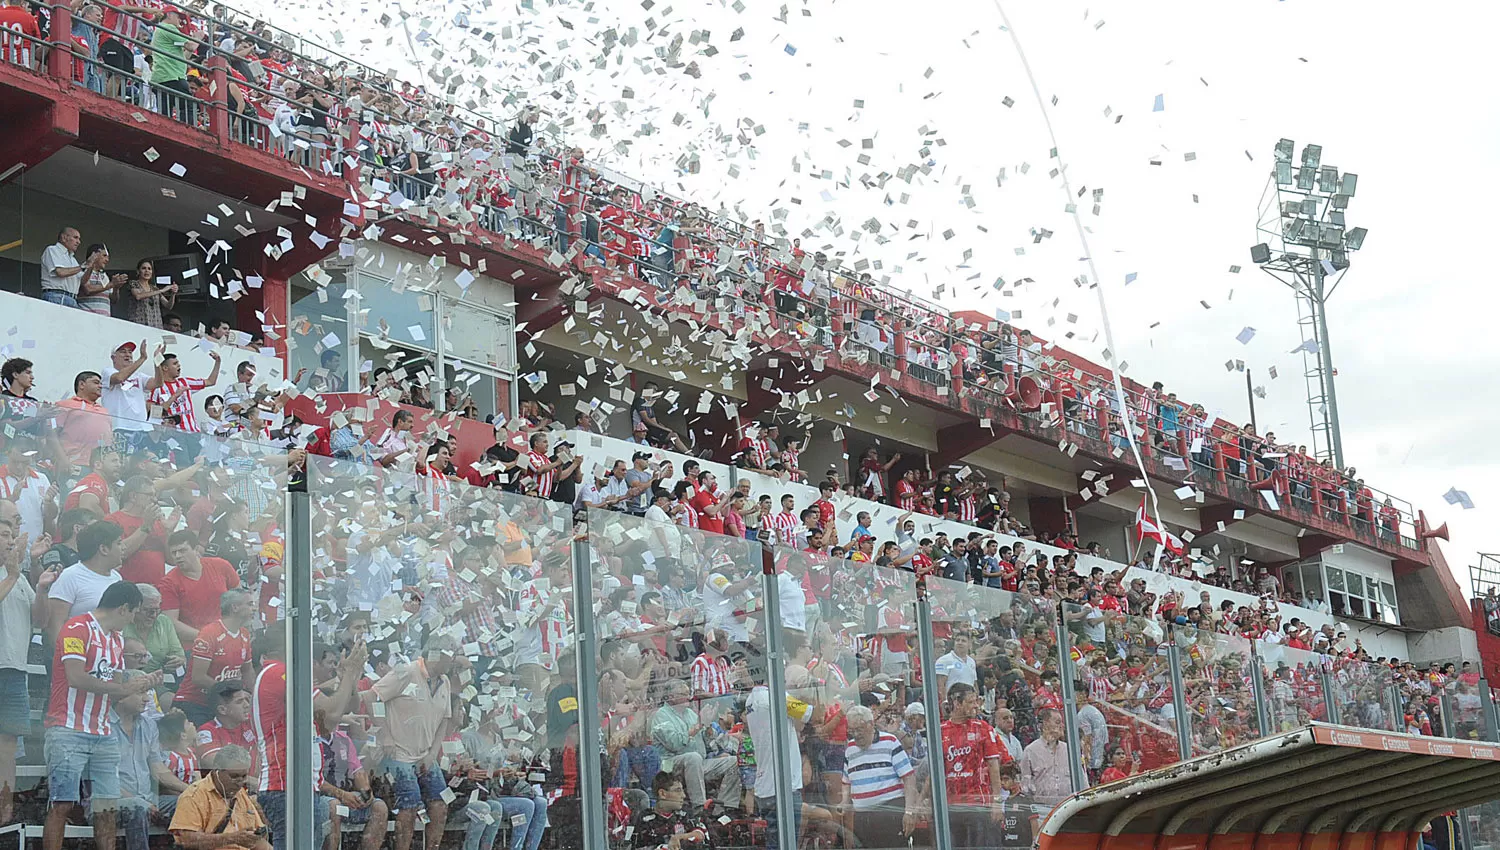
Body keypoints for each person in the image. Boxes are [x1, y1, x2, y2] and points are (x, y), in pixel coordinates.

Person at [43, 580, 162, 850]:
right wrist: (122, 687)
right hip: (68, 727)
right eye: (134, 612)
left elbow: (118, 688)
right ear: (124, 608)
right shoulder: (76, 628)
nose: (133, 619)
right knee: (62, 804)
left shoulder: (117, 639)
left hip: (103, 730)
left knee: (107, 806)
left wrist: (142, 684)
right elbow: (75, 677)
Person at [374, 637, 460, 850]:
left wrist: (432, 753)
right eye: (451, 657)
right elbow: (373, 697)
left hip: (425, 755)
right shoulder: (405, 672)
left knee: (441, 805)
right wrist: (385, 736)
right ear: (436, 655)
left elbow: (445, 720)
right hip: (399, 754)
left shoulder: (445, 681)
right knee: (409, 806)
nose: (453, 662)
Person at [0, 505, 55, 824]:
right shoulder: (12, 575)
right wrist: (13, 572)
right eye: (4, 534)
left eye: (11, 534)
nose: (10, 540)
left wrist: (42, 588)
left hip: (15, 670)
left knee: (8, 742)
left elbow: (41, 620)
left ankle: (4, 806)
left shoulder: (17, 577)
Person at [650, 679, 740, 812]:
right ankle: (700, 809)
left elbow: (709, 743)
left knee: (734, 761)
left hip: (699, 762)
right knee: (693, 758)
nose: (689, 697)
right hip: (669, 764)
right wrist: (699, 725)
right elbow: (674, 744)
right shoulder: (661, 715)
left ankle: (724, 810)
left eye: (688, 693)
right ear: (670, 697)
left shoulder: (690, 713)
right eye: (683, 694)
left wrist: (708, 726)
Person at [939, 682, 1007, 849]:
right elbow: (935, 771)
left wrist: (997, 802)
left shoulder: (983, 728)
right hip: (951, 806)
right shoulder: (940, 731)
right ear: (956, 703)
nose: (976, 706)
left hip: (978, 805)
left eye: (976, 700)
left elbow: (993, 766)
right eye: (971, 701)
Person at [841, 704, 919, 845]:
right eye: (852, 731)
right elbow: (846, 782)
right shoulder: (850, 749)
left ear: (871, 725)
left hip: (889, 813)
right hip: (862, 817)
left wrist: (909, 812)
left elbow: (909, 778)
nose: (856, 735)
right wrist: (844, 802)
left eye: (859, 729)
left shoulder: (890, 742)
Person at [174, 588, 255, 724]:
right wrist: (230, 693)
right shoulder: (210, 633)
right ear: (234, 607)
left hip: (224, 704)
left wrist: (253, 696)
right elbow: (198, 677)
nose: (254, 608)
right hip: (195, 703)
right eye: (249, 604)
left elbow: (247, 670)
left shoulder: (245, 634)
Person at [168, 744, 272, 850]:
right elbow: (185, 840)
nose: (240, 782)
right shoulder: (193, 796)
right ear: (217, 771)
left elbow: (257, 841)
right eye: (234, 776)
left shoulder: (242, 795)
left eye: (244, 776)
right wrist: (231, 839)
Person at [47, 519, 128, 644]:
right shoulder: (70, 577)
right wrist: (66, 658)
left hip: (108, 657)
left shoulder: (117, 578)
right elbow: (55, 625)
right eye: (118, 543)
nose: (124, 548)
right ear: (104, 549)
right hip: (78, 655)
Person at [160, 529, 242, 641]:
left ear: (196, 549)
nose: (178, 556)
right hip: (193, 643)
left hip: (228, 636)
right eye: (174, 553)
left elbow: (240, 598)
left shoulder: (221, 566)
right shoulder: (168, 582)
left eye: (183, 550)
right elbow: (170, 622)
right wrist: (207, 638)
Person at [147, 350, 222, 434]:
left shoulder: (185, 382)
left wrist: (218, 362)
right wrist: (174, 397)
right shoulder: (157, 388)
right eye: (175, 364)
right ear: (165, 368)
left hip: (193, 432)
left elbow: (211, 381)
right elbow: (152, 414)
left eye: (178, 363)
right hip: (174, 434)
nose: (179, 365)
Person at [632, 772, 709, 850]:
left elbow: (700, 833)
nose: (683, 795)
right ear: (662, 794)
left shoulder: (684, 814)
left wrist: (679, 837)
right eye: (678, 790)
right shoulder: (645, 819)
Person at [123, 582, 186, 676]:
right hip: (126, 677)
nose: (154, 615)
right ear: (135, 607)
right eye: (148, 611)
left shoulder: (163, 621)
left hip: (157, 678)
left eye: (157, 610)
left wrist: (177, 660)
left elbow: (179, 655)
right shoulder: (122, 623)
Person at [103, 340, 153, 451]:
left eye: (130, 352)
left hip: (142, 428)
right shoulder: (107, 371)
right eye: (123, 352)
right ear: (113, 357)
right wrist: (142, 359)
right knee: (123, 463)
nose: (128, 355)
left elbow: (158, 383)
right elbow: (119, 378)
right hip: (119, 426)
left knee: (141, 464)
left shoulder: (139, 375)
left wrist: (158, 361)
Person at [149, 6, 195, 123]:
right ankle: (188, 134)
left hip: (162, 76)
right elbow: (191, 46)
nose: (180, 20)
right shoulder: (168, 28)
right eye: (178, 16)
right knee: (188, 106)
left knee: (165, 113)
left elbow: (184, 51)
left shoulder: (161, 31)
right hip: (172, 76)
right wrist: (198, 38)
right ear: (169, 15)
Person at [40, 226, 86, 308]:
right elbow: (60, 272)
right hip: (56, 296)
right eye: (75, 238)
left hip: (72, 299)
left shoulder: (73, 259)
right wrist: (82, 267)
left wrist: (91, 265)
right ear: (64, 238)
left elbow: (83, 281)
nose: (78, 242)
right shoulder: (52, 250)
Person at [77, 243, 129, 315]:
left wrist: (116, 288)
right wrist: (111, 284)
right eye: (104, 256)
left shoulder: (104, 276)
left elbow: (114, 300)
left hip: (104, 319)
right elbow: (88, 289)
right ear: (94, 255)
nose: (107, 260)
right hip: (87, 316)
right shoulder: (82, 270)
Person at [127, 259, 178, 329]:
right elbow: (138, 296)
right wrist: (162, 290)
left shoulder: (154, 288)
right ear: (138, 271)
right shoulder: (134, 283)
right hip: (139, 324)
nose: (147, 271)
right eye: (143, 268)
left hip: (156, 325)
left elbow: (168, 306)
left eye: (149, 269)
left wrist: (173, 294)